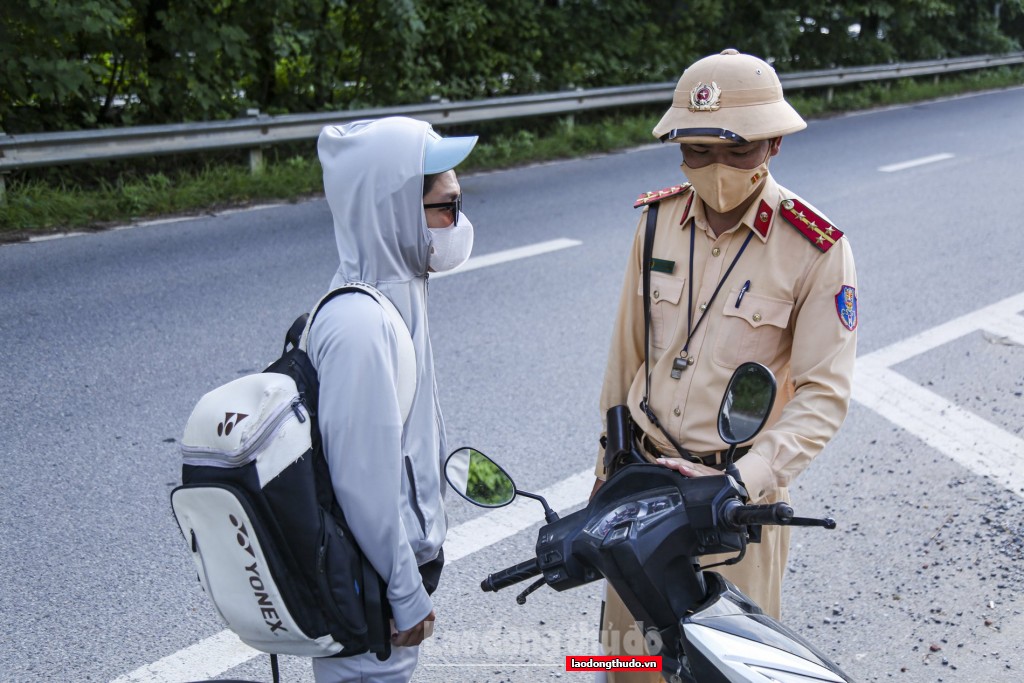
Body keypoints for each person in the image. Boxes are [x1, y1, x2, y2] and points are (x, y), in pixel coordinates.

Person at [593, 49, 858, 681]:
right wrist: (607, 470)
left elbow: (823, 394)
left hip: (733, 505)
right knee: (627, 663)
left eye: (736, 150)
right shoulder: (656, 223)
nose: (714, 169)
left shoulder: (815, 249)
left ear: (773, 146)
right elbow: (625, 357)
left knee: (723, 668)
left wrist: (743, 481)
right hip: (645, 483)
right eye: (696, 150)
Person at [307, 116, 478, 682]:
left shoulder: (399, 298)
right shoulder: (361, 323)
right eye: (446, 206)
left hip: (387, 578)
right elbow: (363, 485)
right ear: (397, 211)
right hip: (372, 591)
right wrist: (405, 593)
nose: (458, 222)